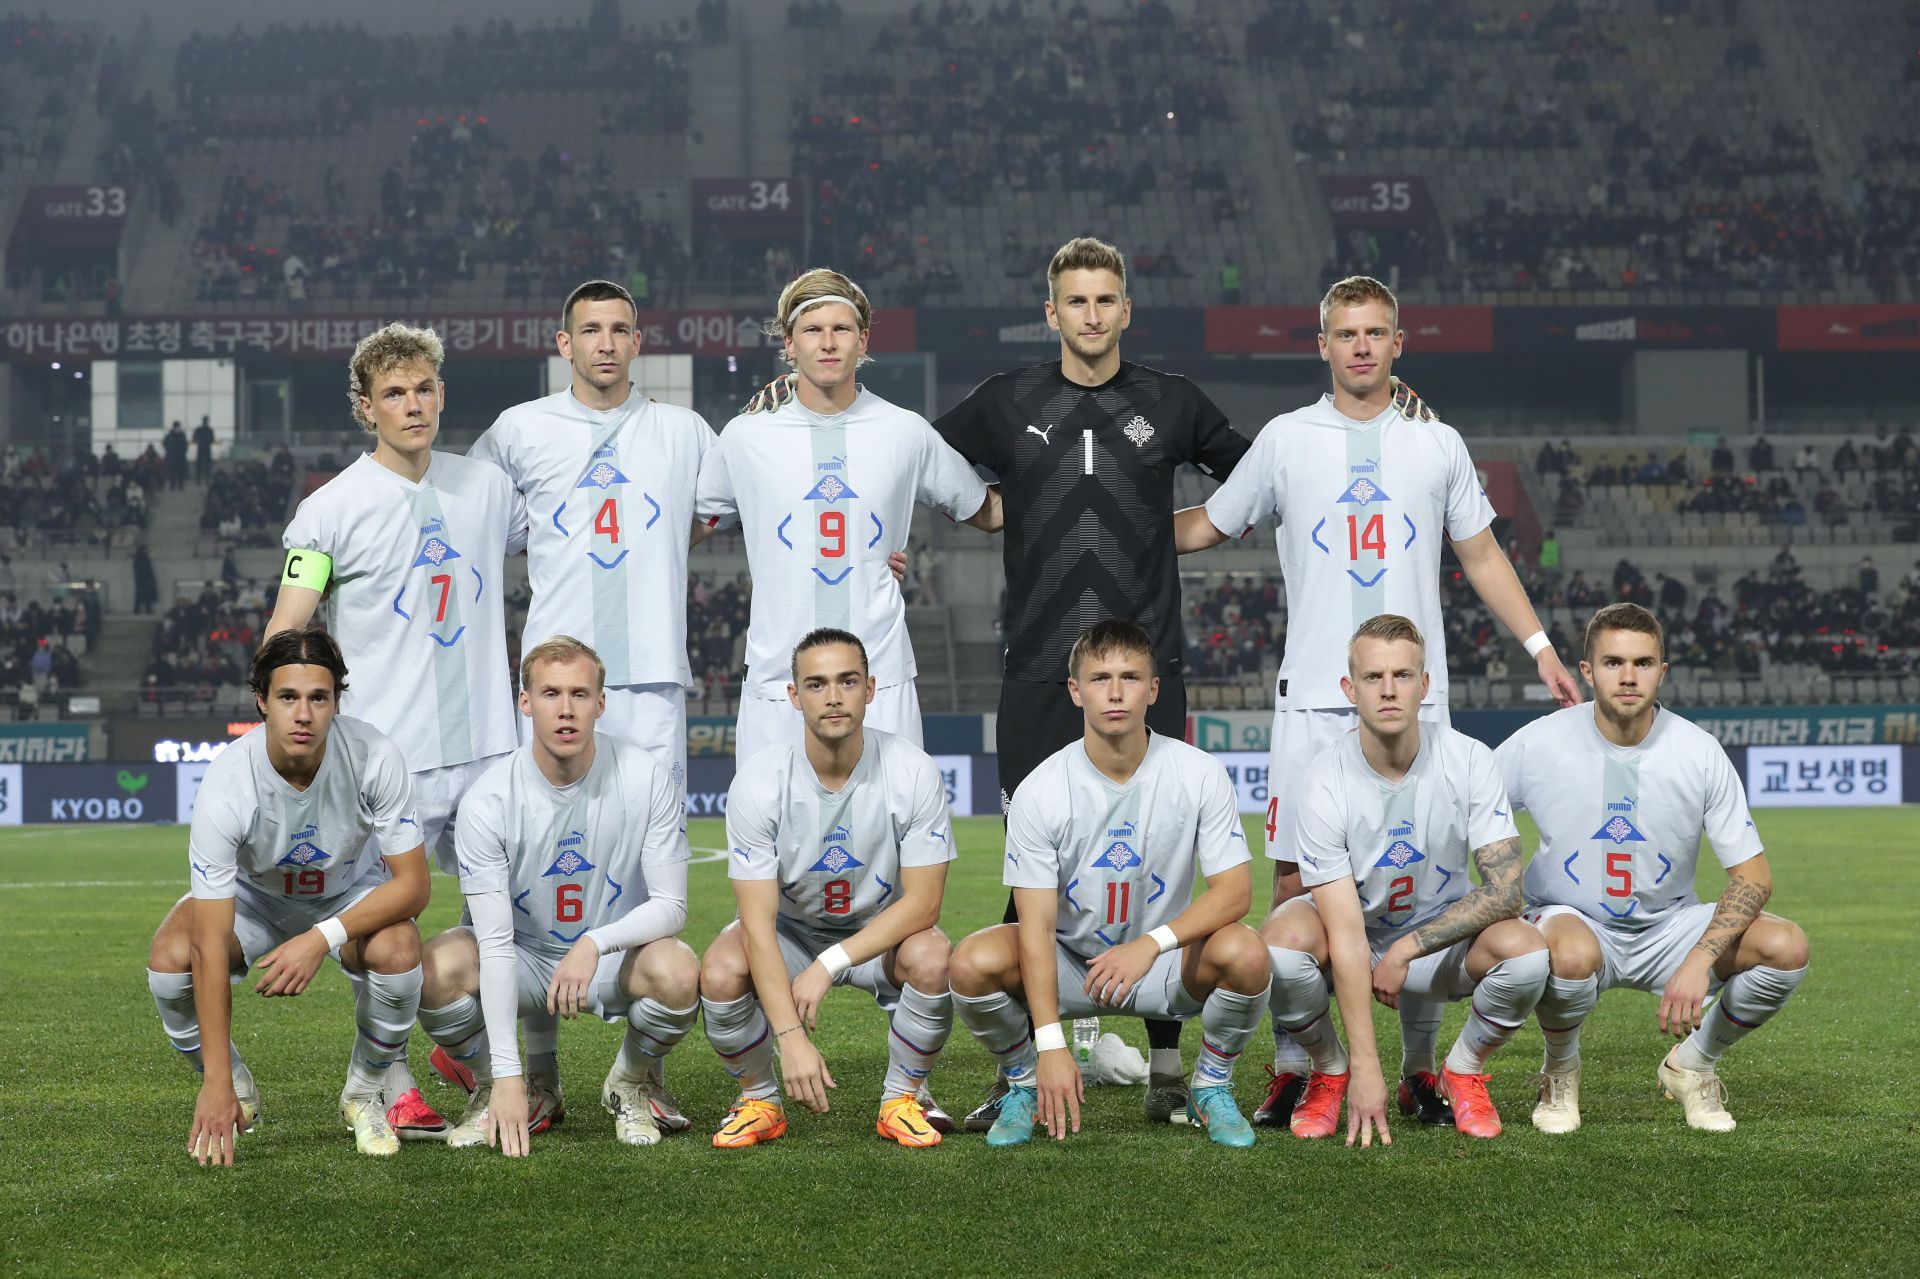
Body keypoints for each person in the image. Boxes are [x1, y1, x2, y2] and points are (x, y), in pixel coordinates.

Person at [1175, 274, 1580, 1130]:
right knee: (1295, 892)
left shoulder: (1436, 444)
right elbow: (1209, 524)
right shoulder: (1287, 440)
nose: (1361, 345)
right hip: (1313, 703)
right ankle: (1306, 1066)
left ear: (1400, 343)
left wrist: (1541, 647)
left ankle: (1424, 1068)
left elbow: (1481, 555)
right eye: (1345, 332)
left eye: (1376, 332)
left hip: (1411, 700)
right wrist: (1094, 521)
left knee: (1428, 883)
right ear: (1321, 345)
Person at [931, 236, 1256, 1129]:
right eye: (1075, 300)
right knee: (1027, 866)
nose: (1091, 314)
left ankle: (1163, 1065)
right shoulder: (1008, 400)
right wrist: (984, 509)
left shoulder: (1169, 399)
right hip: (1039, 667)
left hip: (1148, 666)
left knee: (1167, 863)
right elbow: (916, 455)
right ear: (1052, 312)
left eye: (1106, 299)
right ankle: (1030, 1060)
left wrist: (1190, 530)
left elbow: (1255, 471)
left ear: (1125, 309)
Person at [266, 321, 522, 1138]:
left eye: (424, 389)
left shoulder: (487, 487)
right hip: (389, 757)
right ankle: (392, 1078)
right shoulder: (328, 511)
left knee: (511, 920)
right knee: (384, 930)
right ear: (364, 408)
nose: (412, 406)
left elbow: (581, 539)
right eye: (394, 394)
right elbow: (288, 627)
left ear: (442, 395)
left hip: (488, 747)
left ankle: (485, 1057)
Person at [949, 620, 1272, 1148]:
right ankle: (1025, 1084)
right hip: (1071, 965)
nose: (1116, 692)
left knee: (1248, 951)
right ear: (1076, 691)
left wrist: (1151, 944)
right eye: (1100, 678)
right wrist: (1051, 1045)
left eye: (1130, 677)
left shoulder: (1198, 772)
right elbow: (1035, 924)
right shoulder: (1042, 789)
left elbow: (1236, 893)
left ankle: (1210, 1087)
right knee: (969, 962)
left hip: (1163, 965)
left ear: (1154, 689)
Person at [1497, 603, 1810, 1133]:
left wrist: (1699, 959)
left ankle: (1692, 1065)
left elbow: (1753, 877)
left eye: (1643, 663)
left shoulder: (1699, 752)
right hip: (1573, 921)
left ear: (1662, 672)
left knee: (1787, 948)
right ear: (1587, 671)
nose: (1628, 676)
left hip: (1669, 927)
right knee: (1570, 953)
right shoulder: (1539, 741)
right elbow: (1466, 810)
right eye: (1613, 662)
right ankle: (1559, 1073)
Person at [145, 628, 431, 1165]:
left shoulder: (374, 756)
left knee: (399, 950)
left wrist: (319, 939)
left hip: (348, 896)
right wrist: (214, 1079)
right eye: (288, 697)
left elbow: (414, 887)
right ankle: (236, 1091)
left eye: (318, 698)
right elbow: (209, 943)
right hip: (255, 902)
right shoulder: (229, 780)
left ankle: (364, 1093)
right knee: (170, 960)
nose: (304, 714)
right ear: (262, 700)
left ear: (337, 702)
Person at [1262, 615, 1548, 1146]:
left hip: (1435, 939)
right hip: (1356, 937)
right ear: (1350, 689)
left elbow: (1507, 891)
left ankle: (1457, 1071)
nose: (1388, 690)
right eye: (1373, 677)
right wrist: (1366, 1066)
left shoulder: (1469, 760)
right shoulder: (1325, 778)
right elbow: (1345, 933)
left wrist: (1408, 950)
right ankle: (1330, 1068)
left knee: (1528, 952)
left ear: (1425, 684)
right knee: (1279, 944)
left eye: (1402, 675)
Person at [696, 268, 999, 764]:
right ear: (789, 345)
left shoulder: (906, 432)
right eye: (813, 331)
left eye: (841, 329)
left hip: (881, 677)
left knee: (895, 833)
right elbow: (696, 522)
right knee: (773, 838)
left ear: (863, 341)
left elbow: (985, 512)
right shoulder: (745, 436)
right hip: (777, 681)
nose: (828, 343)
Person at [417, 637, 700, 1154]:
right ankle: (494, 1089)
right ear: (525, 702)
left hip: (609, 960)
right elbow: (497, 943)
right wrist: (505, 1073)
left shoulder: (646, 777)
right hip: (523, 957)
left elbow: (672, 906)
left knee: (679, 971)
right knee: (434, 969)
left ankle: (629, 1082)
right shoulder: (489, 801)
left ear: (601, 703)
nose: (565, 710)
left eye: (579, 694)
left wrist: (595, 942)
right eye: (549, 693)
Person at [698, 628, 959, 1148]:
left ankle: (902, 1098)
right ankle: (759, 1100)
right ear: (794, 697)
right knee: (722, 969)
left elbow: (924, 904)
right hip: (790, 932)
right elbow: (755, 923)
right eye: (816, 685)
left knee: (934, 957)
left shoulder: (912, 770)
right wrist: (790, 1038)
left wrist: (829, 964)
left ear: (871, 689)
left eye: (847, 681)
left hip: (878, 934)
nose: (834, 697)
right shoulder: (759, 781)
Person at [164, 421, 189, 491]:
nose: (177, 428)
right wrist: (169, 450)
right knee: (173, 473)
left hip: (180, 456)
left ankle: (180, 486)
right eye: (176, 426)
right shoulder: (170, 435)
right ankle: (173, 486)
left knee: (181, 472)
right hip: (173, 456)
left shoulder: (181, 435)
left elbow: (185, 444)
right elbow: (165, 444)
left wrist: (184, 451)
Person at [193, 416, 215, 484]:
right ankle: (200, 480)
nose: (205, 422)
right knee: (202, 466)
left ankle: (202, 480)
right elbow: (194, 438)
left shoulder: (204, 429)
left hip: (204, 449)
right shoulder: (206, 430)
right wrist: (200, 442)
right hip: (203, 449)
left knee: (204, 466)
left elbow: (212, 439)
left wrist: (200, 442)